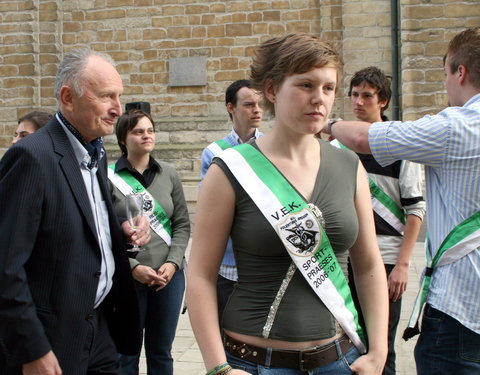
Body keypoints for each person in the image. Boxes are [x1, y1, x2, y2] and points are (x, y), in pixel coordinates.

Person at [187, 33, 388, 375]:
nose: (319, 99)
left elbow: (368, 264)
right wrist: (218, 367)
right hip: (253, 363)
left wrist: (379, 350)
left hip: (340, 360)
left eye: (328, 88)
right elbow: (201, 275)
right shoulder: (230, 170)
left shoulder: (349, 166)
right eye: (306, 85)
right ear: (271, 90)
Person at [322, 27, 480, 375]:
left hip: (460, 306)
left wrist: (329, 123)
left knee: (383, 351)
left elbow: (365, 140)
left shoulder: (457, 127)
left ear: (460, 72)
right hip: (348, 260)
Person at [0, 48, 151, 374]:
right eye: (106, 97)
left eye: (119, 96)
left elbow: (74, 227)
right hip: (53, 340)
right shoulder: (31, 158)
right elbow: (5, 267)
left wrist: (120, 235)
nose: (117, 109)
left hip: (100, 329)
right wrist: (32, 348)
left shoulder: (94, 152)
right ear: (68, 98)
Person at [344, 66, 425, 375]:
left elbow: (415, 210)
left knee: (382, 347)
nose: (358, 102)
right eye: (354, 94)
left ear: (383, 102)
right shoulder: (340, 147)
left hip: (387, 260)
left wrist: (403, 265)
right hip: (345, 259)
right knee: (349, 343)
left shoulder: (400, 148)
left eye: (367, 95)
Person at [109, 109, 191, 375]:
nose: (146, 136)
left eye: (150, 130)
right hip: (127, 277)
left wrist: (173, 263)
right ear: (123, 138)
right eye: (138, 131)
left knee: (161, 353)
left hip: (168, 278)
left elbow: (182, 224)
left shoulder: (169, 174)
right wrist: (132, 267)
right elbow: (104, 231)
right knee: (126, 354)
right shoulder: (108, 178)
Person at [200, 79, 263, 325]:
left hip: (265, 261)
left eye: (259, 104)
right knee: (228, 332)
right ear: (230, 107)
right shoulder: (215, 152)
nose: (257, 109)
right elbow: (213, 208)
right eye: (248, 104)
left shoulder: (272, 146)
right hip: (229, 263)